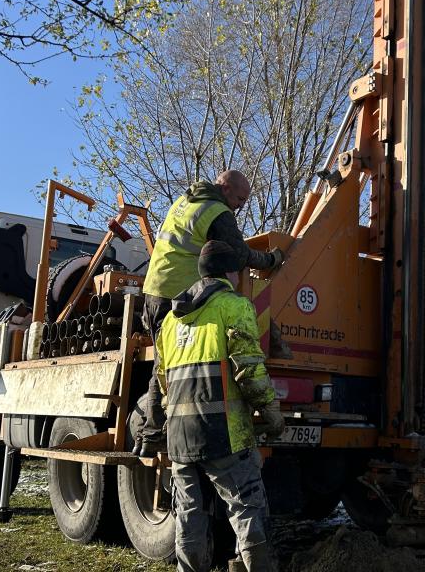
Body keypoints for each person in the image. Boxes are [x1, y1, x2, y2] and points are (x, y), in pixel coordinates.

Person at [151, 240, 285, 572]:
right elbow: (249, 368)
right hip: (222, 434)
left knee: (189, 515)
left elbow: (163, 380)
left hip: (180, 438)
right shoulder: (233, 306)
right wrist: (270, 410)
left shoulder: (170, 321)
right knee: (247, 508)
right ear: (230, 272)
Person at [137, 170, 283, 454]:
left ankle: (153, 434)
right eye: (240, 198)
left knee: (166, 364)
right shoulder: (217, 211)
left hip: (156, 288)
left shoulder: (186, 200)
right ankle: (157, 434)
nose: (241, 205)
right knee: (172, 368)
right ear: (226, 188)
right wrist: (271, 259)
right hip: (177, 292)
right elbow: (240, 254)